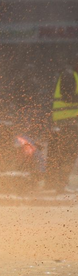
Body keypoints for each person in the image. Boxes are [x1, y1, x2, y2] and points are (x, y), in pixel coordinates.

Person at [44, 62, 78, 192]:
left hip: (69, 124)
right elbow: (68, 96)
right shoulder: (69, 75)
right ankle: (55, 184)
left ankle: (59, 184)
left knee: (66, 155)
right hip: (65, 124)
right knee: (63, 155)